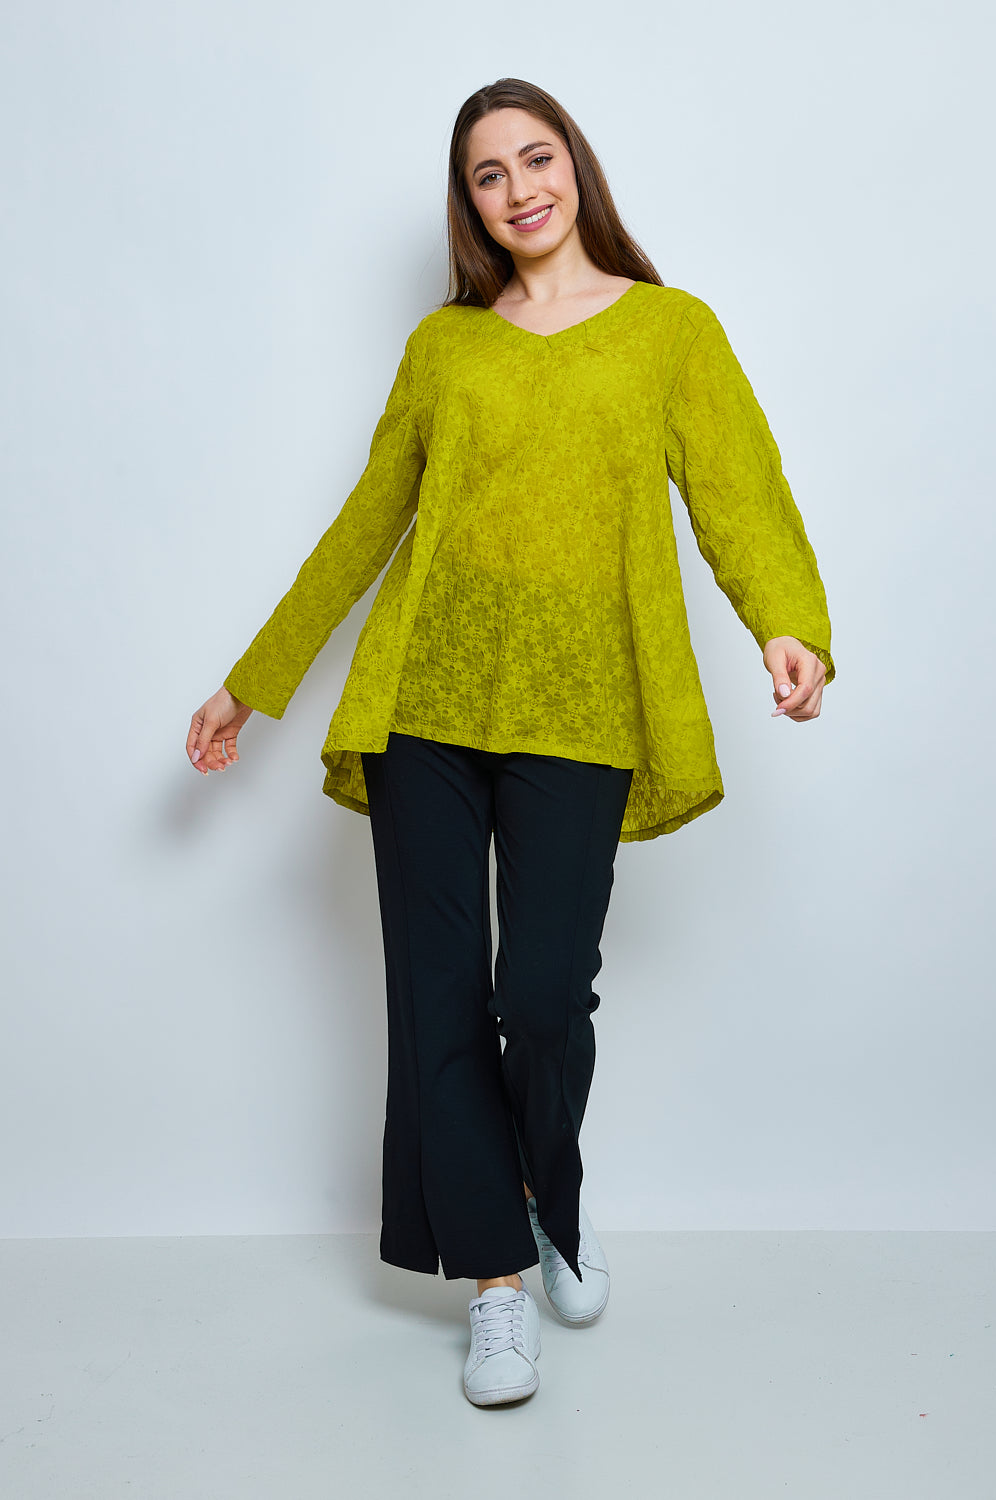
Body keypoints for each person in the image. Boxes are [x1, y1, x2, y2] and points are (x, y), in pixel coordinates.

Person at [186, 77, 835, 1408]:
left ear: (575, 167)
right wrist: (254, 683)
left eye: (536, 159)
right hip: (425, 705)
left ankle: (550, 1204)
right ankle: (495, 1285)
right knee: (436, 998)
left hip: (583, 706)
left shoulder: (669, 331)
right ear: (469, 203)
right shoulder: (446, 348)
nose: (519, 189)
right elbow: (368, 520)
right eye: (489, 174)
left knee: (540, 995)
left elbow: (741, 492)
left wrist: (790, 624)